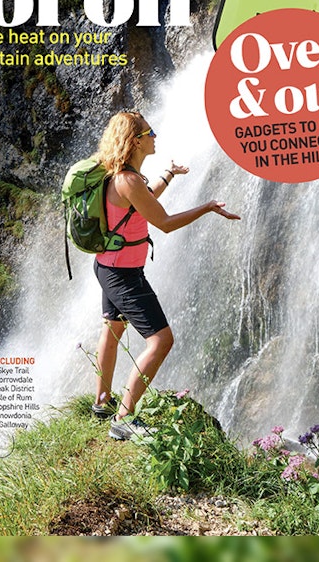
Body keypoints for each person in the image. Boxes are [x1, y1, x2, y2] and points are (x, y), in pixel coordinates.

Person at [87, 110, 240, 441]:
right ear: (135, 141)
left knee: (112, 329)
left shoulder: (121, 176)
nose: (154, 136)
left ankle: (102, 402)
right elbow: (166, 223)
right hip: (123, 274)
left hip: (107, 266)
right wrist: (208, 207)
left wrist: (169, 173)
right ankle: (124, 418)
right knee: (161, 340)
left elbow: (145, 201)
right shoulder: (127, 180)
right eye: (149, 132)